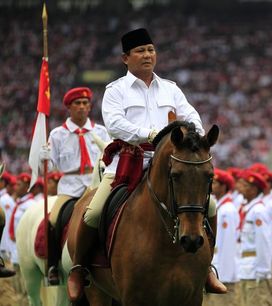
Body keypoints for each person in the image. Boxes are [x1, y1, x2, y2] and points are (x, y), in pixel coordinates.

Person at [67, 28, 225, 302]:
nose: (147, 55)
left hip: (172, 163)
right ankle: (80, 270)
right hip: (130, 162)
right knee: (93, 212)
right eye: (140, 51)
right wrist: (150, 134)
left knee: (209, 205)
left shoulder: (171, 89)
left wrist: (194, 136)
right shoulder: (116, 90)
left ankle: (207, 267)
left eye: (151, 50)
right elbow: (115, 124)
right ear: (125, 58)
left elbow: (191, 116)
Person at [39, 86, 110, 285]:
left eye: (85, 103)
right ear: (68, 108)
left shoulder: (101, 131)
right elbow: (49, 166)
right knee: (54, 220)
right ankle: (53, 265)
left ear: (89, 107)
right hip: (69, 186)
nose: (81, 107)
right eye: (77, 104)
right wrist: (43, 158)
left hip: (95, 184)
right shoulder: (57, 134)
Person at [237, 170, 272, 306]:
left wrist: (263, 270)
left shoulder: (258, 211)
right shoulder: (249, 209)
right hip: (246, 267)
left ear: (253, 189)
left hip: (255, 268)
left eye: (245, 185)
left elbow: (263, 241)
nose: (241, 188)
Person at [204, 169, 240, 306]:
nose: (211, 185)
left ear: (224, 186)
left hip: (223, 269)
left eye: (215, 183)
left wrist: (224, 276)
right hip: (217, 263)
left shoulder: (228, 210)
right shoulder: (219, 206)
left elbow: (228, 244)